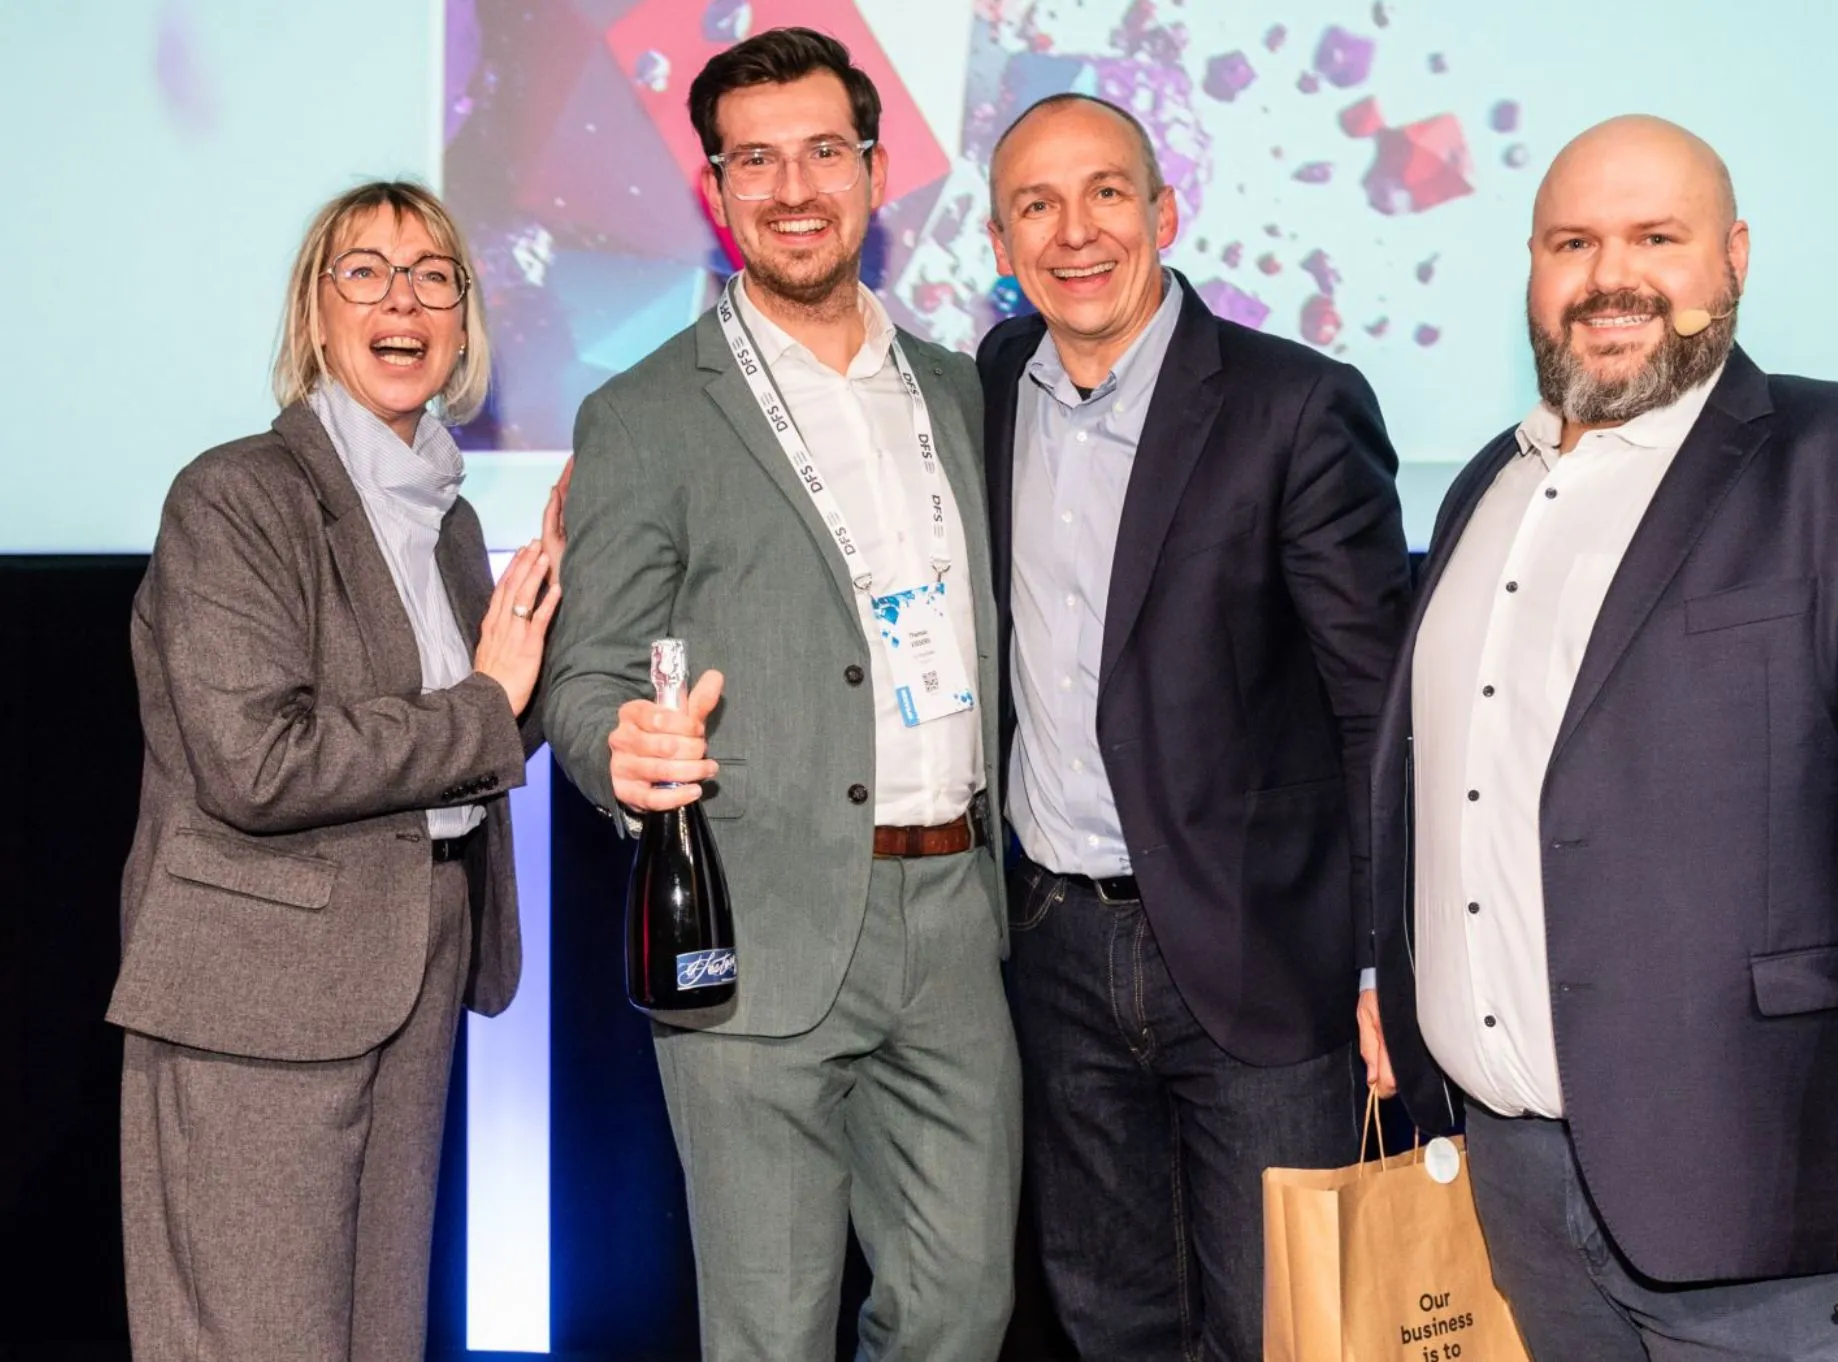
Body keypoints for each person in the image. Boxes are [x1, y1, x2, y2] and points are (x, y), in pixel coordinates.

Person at [1358, 115, 1838, 1360]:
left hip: (1773, 1200)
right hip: (1512, 1185)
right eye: (1571, 242)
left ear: (1730, 256)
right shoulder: (1477, 490)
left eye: (1654, 238)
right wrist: (1393, 982)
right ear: (1529, 266)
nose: (1608, 276)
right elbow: (1446, 789)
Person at [541, 28, 1019, 1362]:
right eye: (755, 160)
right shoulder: (644, 413)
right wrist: (616, 752)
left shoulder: (963, 390)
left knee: (964, 1308)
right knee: (768, 1328)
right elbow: (588, 672)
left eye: (822, 152)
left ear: (876, 172)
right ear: (715, 188)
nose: (792, 187)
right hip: (753, 920)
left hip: (954, 922)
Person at [978, 94, 1411, 1360]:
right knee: (1110, 1317)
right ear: (1001, 245)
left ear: (1165, 213)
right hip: (1054, 944)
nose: (1075, 232)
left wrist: (1386, 958)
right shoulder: (994, 385)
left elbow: (1374, 712)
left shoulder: (1295, 406)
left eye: (1106, 192)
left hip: (1256, 952)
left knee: (1283, 1328)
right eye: (1035, 206)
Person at [108, 180, 565, 1362]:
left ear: (462, 322)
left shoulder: (450, 524)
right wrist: (487, 702)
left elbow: (485, 729)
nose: (401, 298)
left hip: (409, 973)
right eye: (363, 271)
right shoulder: (238, 495)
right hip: (257, 1001)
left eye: (432, 276)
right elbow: (259, 760)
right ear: (315, 313)